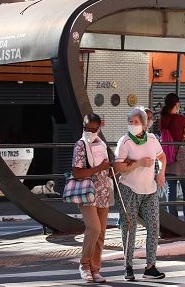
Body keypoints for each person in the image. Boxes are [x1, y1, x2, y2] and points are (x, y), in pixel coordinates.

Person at [114, 107, 167, 281]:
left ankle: (150, 266)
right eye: (130, 122)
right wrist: (139, 163)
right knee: (129, 228)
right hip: (129, 189)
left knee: (153, 226)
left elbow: (162, 157)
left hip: (149, 190)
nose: (132, 125)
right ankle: (127, 266)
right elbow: (118, 167)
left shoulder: (152, 139)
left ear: (144, 124)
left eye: (136, 122)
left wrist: (161, 173)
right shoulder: (125, 142)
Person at [72, 113, 113, 283]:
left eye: (93, 129)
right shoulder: (80, 145)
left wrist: (112, 167)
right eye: (86, 128)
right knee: (94, 229)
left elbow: (106, 169)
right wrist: (98, 168)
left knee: (101, 232)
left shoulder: (102, 144)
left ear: (98, 128)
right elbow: (77, 172)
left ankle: (95, 269)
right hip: (87, 193)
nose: (89, 131)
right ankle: (84, 265)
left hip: (103, 192)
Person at [159, 93, 185, 225]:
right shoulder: (181, 119)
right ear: (177, 104)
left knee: (171, 191)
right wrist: (183, 138)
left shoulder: (162, 119)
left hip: (167, 157)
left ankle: (173, 223)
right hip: (181, 158)